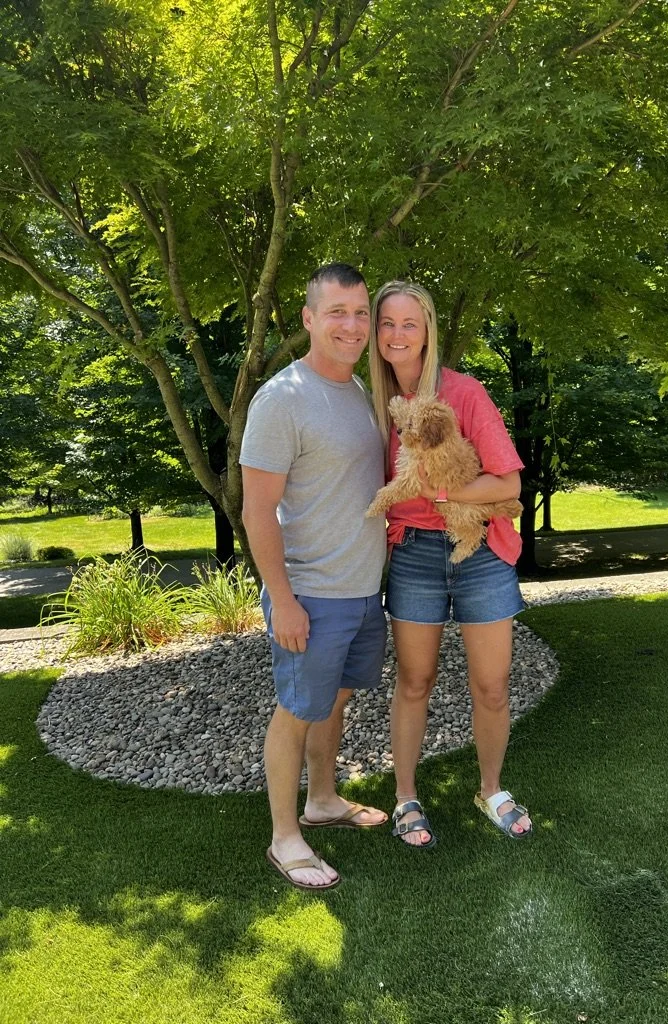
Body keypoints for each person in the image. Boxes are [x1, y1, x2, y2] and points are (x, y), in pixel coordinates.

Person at [368, 280, 533, 847]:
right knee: (415, 681)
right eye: (387, 323)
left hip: (480, 550)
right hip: (414, 553)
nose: (397, 335)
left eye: (408, 323)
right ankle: (406, 798)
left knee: (491, 685)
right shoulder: (372, 404)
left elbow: (508, 481)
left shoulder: (464, 394)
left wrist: (443, 495)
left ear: (428, 331)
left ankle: (491, 789)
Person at [240, 263, 388, 890]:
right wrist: (284, 600)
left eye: (360, 314)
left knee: (334, 701)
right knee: (296, 710)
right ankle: (284, 839)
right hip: (310, 594)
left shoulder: (362, 392)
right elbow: (255, 510)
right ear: (308, 319)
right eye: (337, 313)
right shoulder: (283, 399)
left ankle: (322, 799)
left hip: (362, 591)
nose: (351, 326)